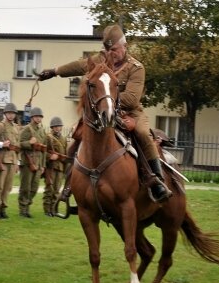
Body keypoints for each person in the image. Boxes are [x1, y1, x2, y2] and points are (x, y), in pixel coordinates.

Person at [37, 24, 172, 202]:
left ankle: (157, 181)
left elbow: (131, 99)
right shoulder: (101, 60)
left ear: (125, 46)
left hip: (130, 113)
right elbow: (79, 65)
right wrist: (54, 72)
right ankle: (70, 183)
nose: (111, 53)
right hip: (102, 112)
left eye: (114, 49)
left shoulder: (136, 68)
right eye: (108, 50)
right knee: (78, 135)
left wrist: (106, 98)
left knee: (142, 134)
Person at [0, 103, 20, 219]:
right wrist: (1, 144)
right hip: (1, 160)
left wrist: (17, 162)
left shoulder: (16, 127)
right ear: (5, 114)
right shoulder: (1, 126)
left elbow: (17, 147)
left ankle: (3, 208)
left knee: (8, 187)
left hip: (12, 160)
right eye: (9, 113)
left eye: (12, 113)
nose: (11, 115)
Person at [18, 106, 47, 217]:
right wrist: (29, 142)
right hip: (28, 162)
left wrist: (43, 165)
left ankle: (27, 206)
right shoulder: (26, 129)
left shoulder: (42, 131)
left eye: (40, 116)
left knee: (34, 188)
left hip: (38, 163)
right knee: (25, 187)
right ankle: (23, 209)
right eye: (36, 116)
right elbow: (19, 144)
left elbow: (44, 149)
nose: (38, 118)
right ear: (32, 117)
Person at [43, 116, 68, 216]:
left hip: (60, 167)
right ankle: (47, 209)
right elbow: (43, 152)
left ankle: (53, 209)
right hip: (51, 166)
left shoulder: (63, 139)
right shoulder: (48, 137)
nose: (58, 128)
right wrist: (50, 156)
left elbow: (65, 154)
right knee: (50, 189)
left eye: (59, 126)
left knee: (57, 190)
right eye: (56, 126)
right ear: (52, 127)